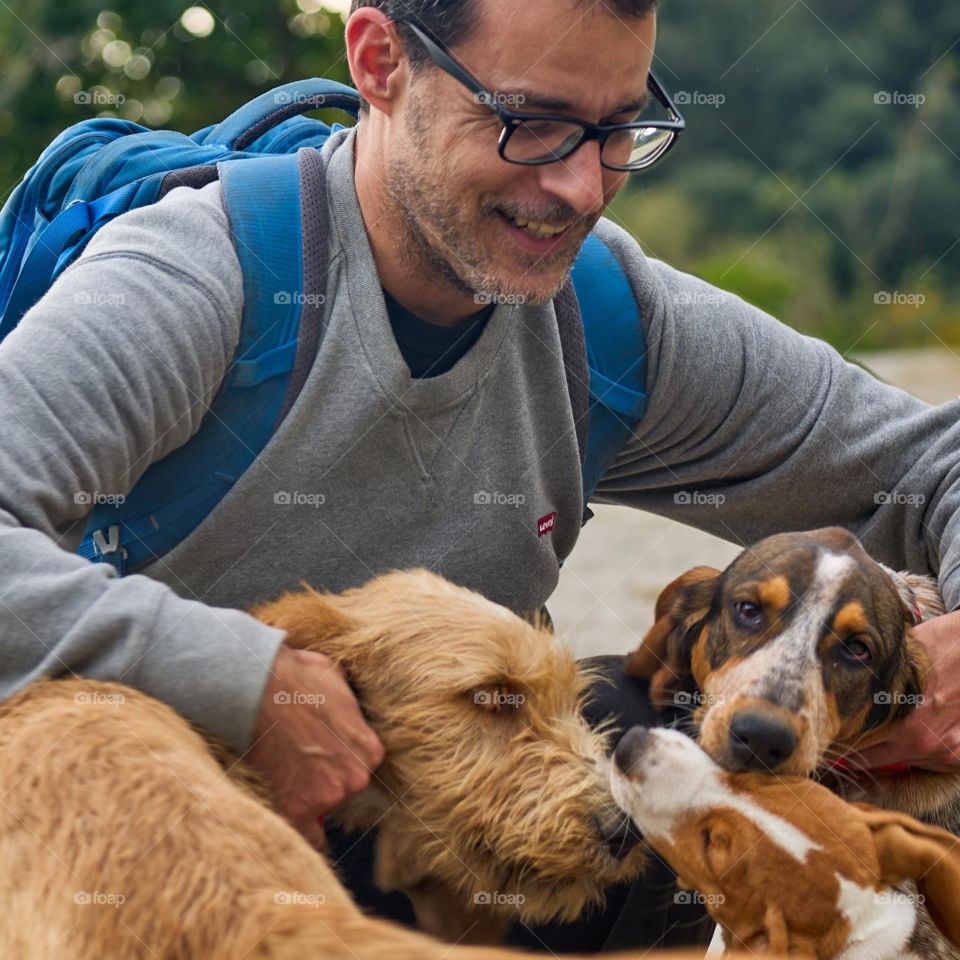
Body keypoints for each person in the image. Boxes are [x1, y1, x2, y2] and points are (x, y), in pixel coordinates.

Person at [1, 0, 959, 951]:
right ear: (380, 62)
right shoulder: (198, 278)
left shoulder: (605, 319)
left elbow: (932, 460)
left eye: (620, 130)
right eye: (528, 123)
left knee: (664, 732)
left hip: (443, 847)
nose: (582, 187)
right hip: (118, 852)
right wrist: (248, 685)